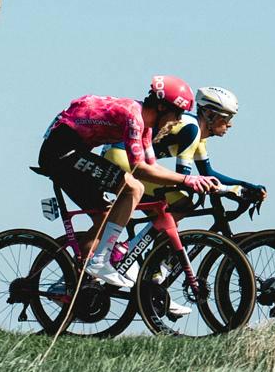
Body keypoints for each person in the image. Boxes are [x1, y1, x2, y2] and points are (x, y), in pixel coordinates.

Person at [37, 75, 218, 289]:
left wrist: (189, 181)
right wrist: (187, 179)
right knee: (133, 187)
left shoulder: (147, 128)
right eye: (177, 113)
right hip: (61, 152)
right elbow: (138, 169)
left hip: (73, 151)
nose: (179, 119)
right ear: (161, 107)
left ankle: (76, 281)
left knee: (104, 217)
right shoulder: (134, 116)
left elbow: (151, 166)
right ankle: (100, 260)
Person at [98, 85, 266, 315]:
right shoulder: (191, 129)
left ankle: (152, 283)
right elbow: (185, 178)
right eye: (227, 118)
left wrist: (246, 186)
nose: (230, 124)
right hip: (122, 159)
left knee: (168, 219)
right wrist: (229, 189)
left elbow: (208, 172)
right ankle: (124, 251)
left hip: (123, 157)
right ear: (210, 114)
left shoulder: (198, 135)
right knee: (183, 201)